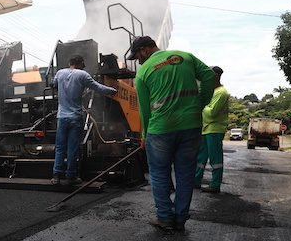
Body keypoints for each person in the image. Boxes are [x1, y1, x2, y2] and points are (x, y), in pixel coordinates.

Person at [128, 36, 215, 231]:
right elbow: (209, 76)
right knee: (185, 173)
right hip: (191, 125)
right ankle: (180, 218)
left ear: (144, 50)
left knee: (159, 173)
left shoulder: (143, 73)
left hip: (160, 129)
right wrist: (200, 104)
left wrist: (144, 136)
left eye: (137, 56)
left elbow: (144, 110)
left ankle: (165, 217)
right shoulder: (186, 57)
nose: (138, 61)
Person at [51, 55, 117, 186]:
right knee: (72, 148)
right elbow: (98, 87)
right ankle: (71, 176)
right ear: (80, 63)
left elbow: (53, 84)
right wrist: (112, 90)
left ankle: (56, 176)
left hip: (62, 117)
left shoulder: (60, 73)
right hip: (76, 117)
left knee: (60, 147)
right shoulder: (82, 75)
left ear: (70, 62)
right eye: (83, 64)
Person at [194, 66, 229, 193]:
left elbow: (211, 113)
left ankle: (215, 185)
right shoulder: (212, 91)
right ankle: (195, 180)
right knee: (201, 157)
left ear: (216, 77)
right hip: (206, 128)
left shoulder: (221, 92)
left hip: (215, 129)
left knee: (215, 158)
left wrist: (200, 105)